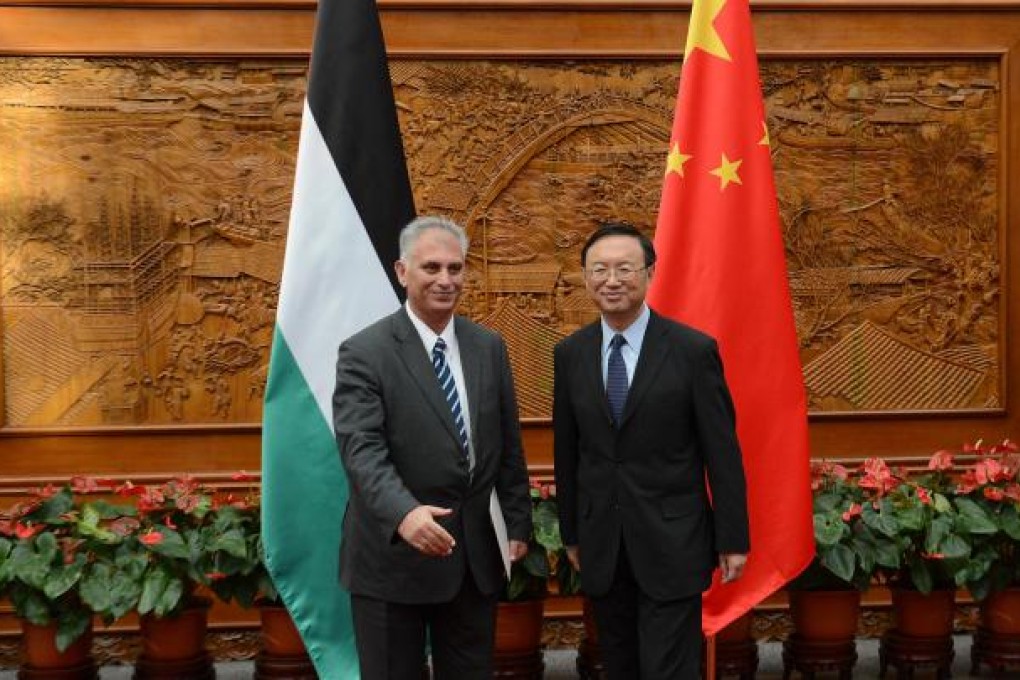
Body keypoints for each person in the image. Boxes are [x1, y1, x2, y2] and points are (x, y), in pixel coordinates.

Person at [332, 215, 532, 679]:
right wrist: (404, 514)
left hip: (473, 561)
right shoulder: (364, 351)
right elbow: (361, 449)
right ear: (403, 272)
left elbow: (506, 442)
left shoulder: (489, 346)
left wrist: (517, 520)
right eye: (432, 268)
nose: (446, 280)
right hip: (393, 561)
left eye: (456, 268)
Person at [553, 222, 750, 679]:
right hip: (604, 542)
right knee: (618, 664)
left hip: (673, 542)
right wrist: (571, 532)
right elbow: (568, 451)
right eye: (599, 270)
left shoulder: (691, 350)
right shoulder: (571, 354)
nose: (612, 280)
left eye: (625, 268)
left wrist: (733, 537)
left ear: (649, 273)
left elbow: (722, 452)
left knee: (668, 668)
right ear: (585, 279)